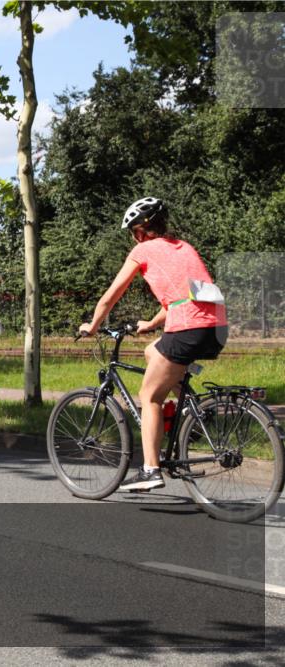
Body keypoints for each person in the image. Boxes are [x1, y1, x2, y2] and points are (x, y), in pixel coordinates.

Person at [79, 197, 227, 492]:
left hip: (187, 326)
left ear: (143, 229)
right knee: (152, 351)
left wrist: (92, 326)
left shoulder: (143, 249)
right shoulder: (184, 247)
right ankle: (191, 410)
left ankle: (150, 470)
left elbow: (111, 295)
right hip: (215, 328)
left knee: (149, 396)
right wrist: (150, 323)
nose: (134, 238)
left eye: (134, 231)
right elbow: (188, 294)